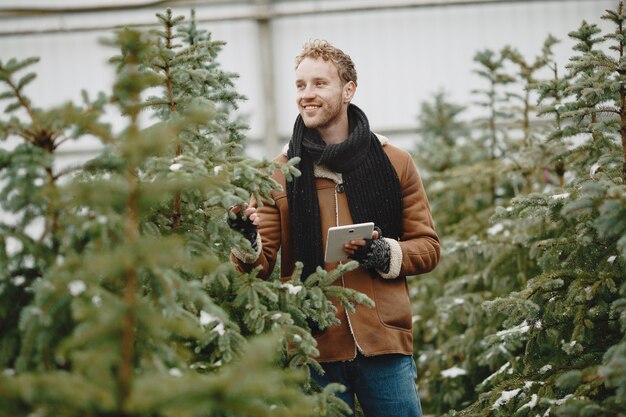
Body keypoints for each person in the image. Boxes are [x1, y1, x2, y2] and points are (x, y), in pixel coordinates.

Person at [228, 39, 440, 417]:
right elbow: (258, 266)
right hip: (314, 346)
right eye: (300, 85)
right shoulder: (280, 173)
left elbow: (428, 246)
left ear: (348, 90)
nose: (307, 95)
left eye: (319, 84)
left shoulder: (395, 162)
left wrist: (385, 253)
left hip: (384, 343)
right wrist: (246, 239)